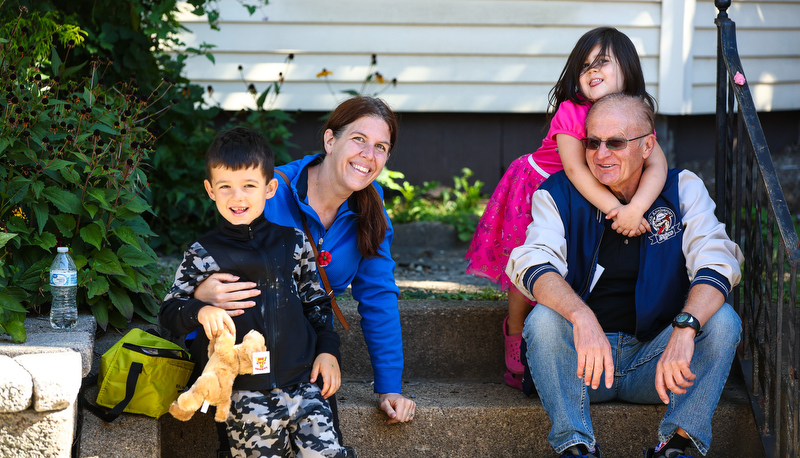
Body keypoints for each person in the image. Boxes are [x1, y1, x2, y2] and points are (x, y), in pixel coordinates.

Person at [506, 93, 744, 458]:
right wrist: (581, 316)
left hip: (659, 364)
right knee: (543, 322)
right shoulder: (557, 194)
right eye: (592, 142)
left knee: (723, 320)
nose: (601, 155)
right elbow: (533, 262)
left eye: (616, 142)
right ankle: (576, 446)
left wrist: (686, 326)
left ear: (648, 145)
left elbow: (717, 259)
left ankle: (678, 446)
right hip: (582, 365)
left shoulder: (681, 189)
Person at [464, 27, 669, 389]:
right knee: (526, 262)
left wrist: (637, 207)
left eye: (603, 62)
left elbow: (658, 165)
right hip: (538, 185)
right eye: (585, 65)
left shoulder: (634, 114)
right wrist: (618, 210)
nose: (592, 70)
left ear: (629, 69)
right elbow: (576, 172)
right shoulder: (572, 112)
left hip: (578, 199)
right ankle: (515, 334)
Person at [192, 96, 417, 426]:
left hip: (304, 345)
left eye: (381, 147)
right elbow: (213, 268)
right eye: (359, 139)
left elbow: (378, 295)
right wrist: (203, 291)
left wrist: (389, 389)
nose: (369, 156)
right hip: (244, 338)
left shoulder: (371, 206)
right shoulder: (269, 191)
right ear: (330, 140)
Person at [159, 127, 346, 457]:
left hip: (305, 381)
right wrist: (200, 309)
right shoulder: (204, 252)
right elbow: (170, 311)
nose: (237, 197)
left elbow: (316, 301)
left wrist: (328, 352)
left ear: (270, 187)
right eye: (225, 187)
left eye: (249, 186)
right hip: (244, 392)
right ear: (210, 190)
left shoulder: (293, 242)